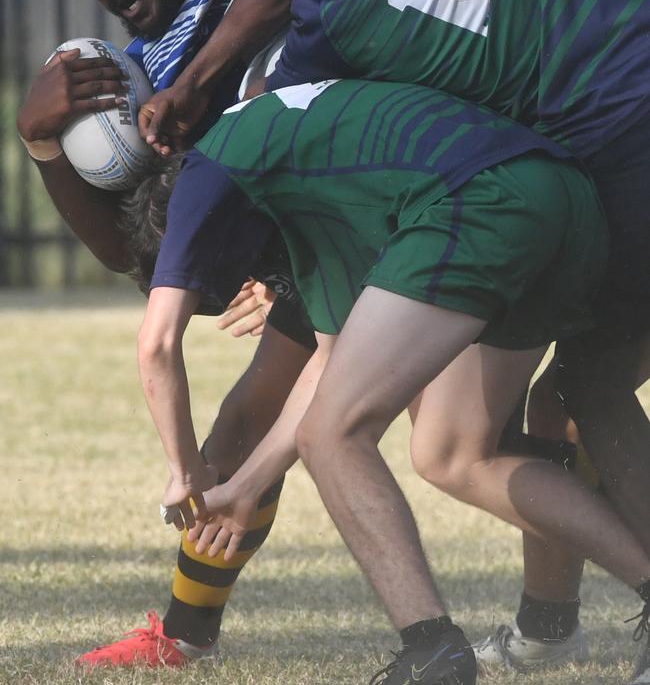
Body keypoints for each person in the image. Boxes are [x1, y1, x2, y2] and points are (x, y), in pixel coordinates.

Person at [221, 0, 650, 675]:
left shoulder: (332, 19)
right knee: (486, 431)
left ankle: (496, 634)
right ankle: (550, 625)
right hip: (591, 145)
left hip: (611, 147)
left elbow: (290, 123)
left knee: (587, 385)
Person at [127, 76, 650, 685]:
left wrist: (184, 473)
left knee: (335, 438)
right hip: (555, 194)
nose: (245, 285)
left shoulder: (209, 167)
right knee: (451, 453)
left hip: (481, 199)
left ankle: (431, 650)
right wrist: (247, 484)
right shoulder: (302, 188)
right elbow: (332, 365)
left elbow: (157, 343)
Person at [375, 0, 650, 678]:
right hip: (612, 161)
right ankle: (547, 625)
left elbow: (507, 33)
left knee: (587, 390)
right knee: (523, 416)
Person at [17, 0, 316, 667]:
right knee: (245, 439)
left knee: (463, 439)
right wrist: (40, 141)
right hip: (332, 236)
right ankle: (184, 640)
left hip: (410, 188)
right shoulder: (145, 71)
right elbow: (135, 250)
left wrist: (201, 78)